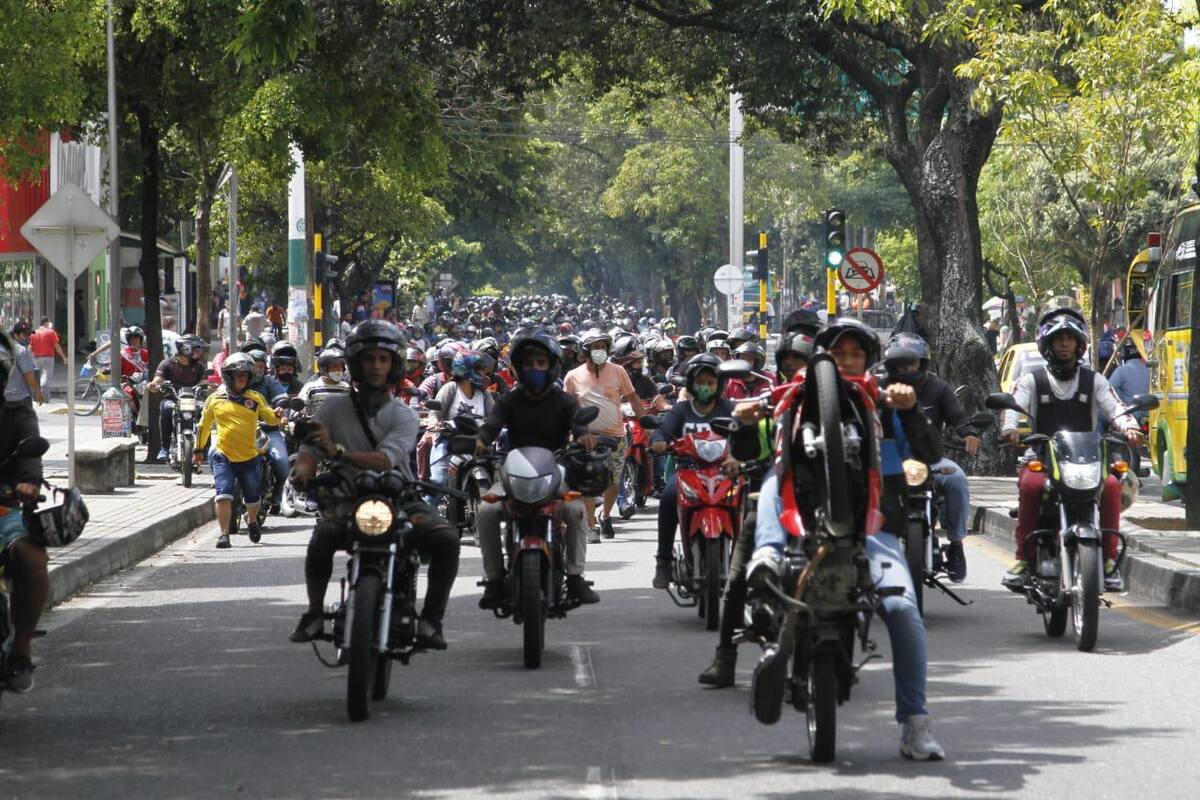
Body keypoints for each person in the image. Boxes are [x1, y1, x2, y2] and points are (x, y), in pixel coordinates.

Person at [747, 317, 946, 761]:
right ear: (823, 359)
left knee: (904, 612)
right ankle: (765, 561)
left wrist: (910, 408)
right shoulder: (795, 396)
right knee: (767, 487)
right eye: (839, 354)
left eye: (857, 354)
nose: (848, 361)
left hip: (872, 531)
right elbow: (752, 440)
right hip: (801, 527)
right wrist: (745, 418)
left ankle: (915, 724)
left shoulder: (885, 399)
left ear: (870, 361)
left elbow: (931, 453)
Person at [288, 320, 459, 650]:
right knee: (322, 537)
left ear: (393, 364)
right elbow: (311, 448)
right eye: (369, 358)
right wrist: (303, 472)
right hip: (350, 498)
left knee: (447, 539)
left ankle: (431, 621)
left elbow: (384, 460)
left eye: (383, 359)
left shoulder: (404, 415)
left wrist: (337, 452)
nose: (376, 366)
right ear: (356, 363)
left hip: (400, 497)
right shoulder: (332, 408)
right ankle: (314, 614)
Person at [697, 318, 820, 688]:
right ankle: (725, 657)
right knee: (737, 579)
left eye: (803, 363)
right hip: (769, 496)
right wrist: (746, 427)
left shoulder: (838, 405)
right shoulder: (769, 403)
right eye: (790, 364)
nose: (796, 370)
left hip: (821, 503)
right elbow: (747, 447)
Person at [1000, 308, 1141, 592]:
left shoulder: (1094, 380)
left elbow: (1116, 407)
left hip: (1087, 460)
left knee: (1112, 487)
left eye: (1070, 339)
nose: (1064, 344)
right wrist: (1010, 428)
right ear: (1048, 344)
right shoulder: (1031, 381)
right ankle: (1024, 560)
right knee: (1031, 486)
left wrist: (1130, 427)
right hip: (1043, 459)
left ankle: (1108, 561)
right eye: (1058, 339)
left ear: (1079, 345)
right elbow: (1013, 407)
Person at [475, 330, 599, 607]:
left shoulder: (565, 401)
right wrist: (480, 440)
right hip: (512, 475)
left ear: (551, 366)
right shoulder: (508, 400)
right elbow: (491, 426)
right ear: (519, 368)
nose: (534, 369)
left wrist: (585, 437)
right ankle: (494, 579)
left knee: (577, 511)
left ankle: (575, 577)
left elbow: (580, 425)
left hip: (555, 475)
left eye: (540, 363)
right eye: (528, 364)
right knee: (486, 511)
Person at [881, 332, 981, 582]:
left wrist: (969, 434)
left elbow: (958, 416)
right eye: (900, 364)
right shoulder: (879, 389)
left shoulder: (938, 388)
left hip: (928, 459)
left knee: (957, 479)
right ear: (891, 366)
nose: (906, 369)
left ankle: (956, 544)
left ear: (922, 364)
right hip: (887, 460)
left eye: (911, 363)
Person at [650, 353, 737, 588]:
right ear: (691, 384)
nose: (705, 387)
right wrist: (658, 441)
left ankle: (746, 559)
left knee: (748, 501)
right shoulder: (680, 411)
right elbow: (663, 431)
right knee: (669, 496)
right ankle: (663, 560)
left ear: (719, 384)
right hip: (687, 472)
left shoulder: (730, 408)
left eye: (710, 382)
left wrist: (738, 456)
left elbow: (747, 431)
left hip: (726, 472)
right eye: (700, 382)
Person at [564, 329, 646, 541]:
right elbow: (566, 407)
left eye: (602, 346)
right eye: (595, 347)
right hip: (586, 438)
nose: (599, 350)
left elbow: (633, 398)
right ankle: (591, 525)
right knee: (589, 481)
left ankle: (606, 515)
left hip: (616, 435)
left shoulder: (618, 371)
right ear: (585, 351)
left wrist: (645, 421)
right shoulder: (573, 377)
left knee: (613, 480)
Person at [0, 338, 48, 693]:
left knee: (33, 559)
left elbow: (31, 454)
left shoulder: (17, 414)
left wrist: (28, 483)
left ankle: (20, 649)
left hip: (3, 508)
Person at [194, 353, 278, 548]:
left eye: (246, 376)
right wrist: (198, 449)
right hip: (223, 455)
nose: (242, 379)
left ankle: (252, 521)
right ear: (229, 376)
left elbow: (271, 417)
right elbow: (203, 426)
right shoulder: (214, 399)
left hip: (250, 456)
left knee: (253, 497)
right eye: (238, 375)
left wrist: (279, 415)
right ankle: (224, 534)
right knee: (223, 494)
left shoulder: (255, 398)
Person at [425, 350, 495, 505]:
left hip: (477, 442)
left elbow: (494, 417)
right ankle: (421, 516)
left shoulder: (484, 393)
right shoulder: (450, 388)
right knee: (439, 482)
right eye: (479, 369)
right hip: (448, 442)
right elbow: (434, 413)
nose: (483, 373)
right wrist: (435, 423)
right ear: (466, 369)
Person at [242, 346, 291, 514]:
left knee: (281, 461)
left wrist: (281, 412)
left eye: (261, 366)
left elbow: (282, 400)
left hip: (268, 431)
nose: (257, 369)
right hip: (241, 432)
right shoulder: (237, 382)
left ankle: (277, 493)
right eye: (254, 365)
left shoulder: (270, 383)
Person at [148, 336, 210, 461]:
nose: (200, 353)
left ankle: (205, 449)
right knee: (166, 409)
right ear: (186, 349)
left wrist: (211, 387)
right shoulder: (167, 364)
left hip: (194, 400)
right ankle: (165, 448)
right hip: (173, 399)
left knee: (205, 411)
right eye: (196, 350)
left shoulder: (199, 367)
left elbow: (205, 383)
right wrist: (153, 385)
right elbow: (158, 380)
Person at [298, 346, 349, 415]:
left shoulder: (347, 388)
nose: (339, 370)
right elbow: (299, 411)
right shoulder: (310, 388)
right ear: (323, 368)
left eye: (341, 366)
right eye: (335, 366)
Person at [5, 322, 44, 407]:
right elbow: (29, 375)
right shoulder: (22, 351)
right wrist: (38, 392)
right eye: (25, 334)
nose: (28, 337)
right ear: (16, 335)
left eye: (29, 334)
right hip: (20, 398)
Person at [29, 318, 65, 400]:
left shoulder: (34, 332)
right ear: (46, 323)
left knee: (38, 376)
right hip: (49, 357)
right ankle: (44, 396)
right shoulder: (51, 332)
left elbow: (30, 347)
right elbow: (56, 346)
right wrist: (63, 357)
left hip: (37, 358)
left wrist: (27, 357)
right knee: (46, 376)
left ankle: (37, 396)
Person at [1108, 338, 1149, 408]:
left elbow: (1110, 389)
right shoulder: (1149, 369)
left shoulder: (1120, 370)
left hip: (1130, 411)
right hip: (1150, 410)